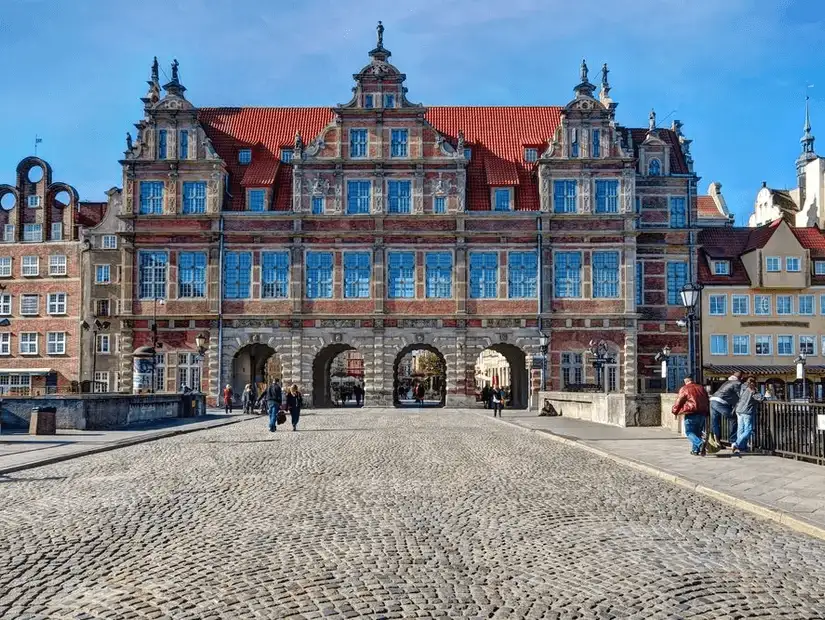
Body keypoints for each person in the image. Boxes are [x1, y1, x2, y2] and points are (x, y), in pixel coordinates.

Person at [672, 376, 710, 455]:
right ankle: (695, 450)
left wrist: (675, 411)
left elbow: (679, 401)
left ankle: (700, 443)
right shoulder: (701, 388)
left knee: (689, 432)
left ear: (685, 381)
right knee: (698, 433)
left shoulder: (684, 388)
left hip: (691, 413)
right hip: (702, 413)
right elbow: (707, 400)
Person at [733, 376, 765, 455]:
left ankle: (741, 447)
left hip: (738, 410)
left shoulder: (742, 387)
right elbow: (760, 398)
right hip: (747, 411)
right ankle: (736, 444)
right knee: (749, 430)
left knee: (740, 429)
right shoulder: (752, 389)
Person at [710, 371, 742, 448]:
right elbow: (740, 396)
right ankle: (733, 441)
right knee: (733, 418)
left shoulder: (727, 382)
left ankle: (716, 441)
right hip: (721, 402)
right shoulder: (737, 383)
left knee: (715, 422)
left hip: (712, 400)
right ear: (741, 377)